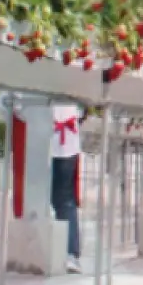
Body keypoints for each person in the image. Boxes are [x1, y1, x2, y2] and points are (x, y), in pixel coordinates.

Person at [50, 103, 83, 273]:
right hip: (63, 141)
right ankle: (70, 253)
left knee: (62, 198)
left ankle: (70, 252)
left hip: (61, 140)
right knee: (63, 199)